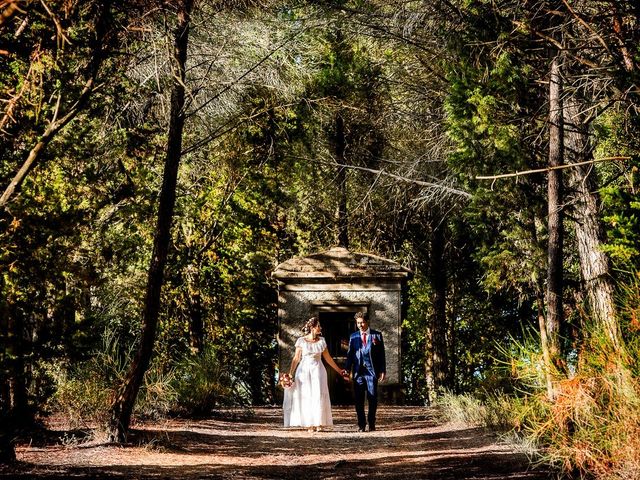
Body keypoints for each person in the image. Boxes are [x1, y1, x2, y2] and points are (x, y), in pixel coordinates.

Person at [281, 316, 345, 432]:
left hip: (318, 370)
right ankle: (309, 423)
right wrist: (290, 373)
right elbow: (296, 358)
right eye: (318, 326)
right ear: (312, 328)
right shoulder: (301, 341)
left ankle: (319, 422)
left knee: (319, 394)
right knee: (306, 395)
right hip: (304, 371)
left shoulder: (322, 341)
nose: (320, 328)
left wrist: (339, 370)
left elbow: (328, 359)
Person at [342, 312, 386, 432]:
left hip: (372, 372)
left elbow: (381, 355)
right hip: (358, 373)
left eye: (362, 322)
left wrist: (382, 370)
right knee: (358, 400)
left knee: (372, 398)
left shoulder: (377, 336)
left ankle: (371, 423)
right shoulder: (353, 336)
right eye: (358, 323)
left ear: (367, 322)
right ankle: (361, 424)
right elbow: (350, 355)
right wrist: (347, 368)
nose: (360, 325)